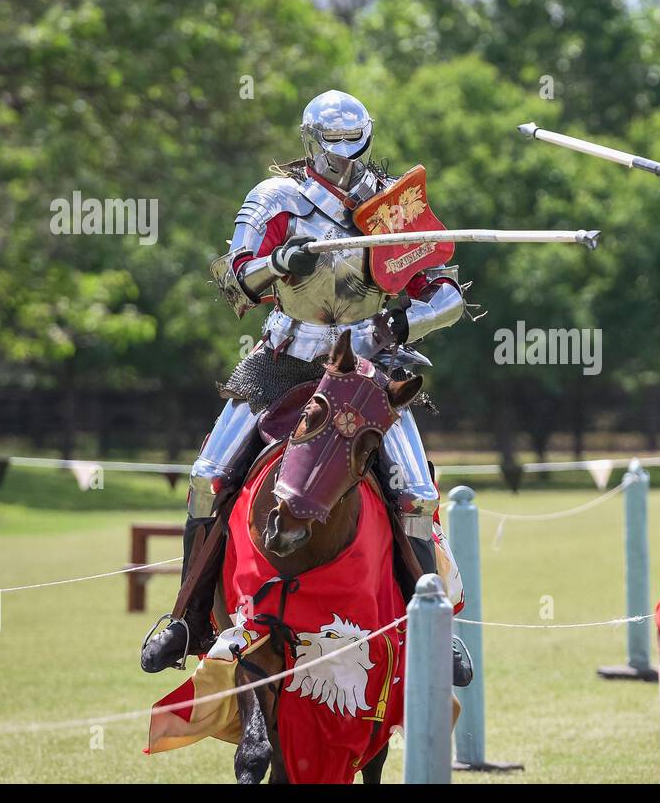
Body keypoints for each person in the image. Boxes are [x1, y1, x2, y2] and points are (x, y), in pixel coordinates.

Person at [141, 90, 472, 679]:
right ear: (310, 139)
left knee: (416, 493)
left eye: (354, 141)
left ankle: (434, 628)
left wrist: (403, 319)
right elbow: (235, 279)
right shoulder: (274, 199)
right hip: (287, 356)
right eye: (333, 142)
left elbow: (445, 292)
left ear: (368, 136)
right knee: (207, 477)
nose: (344, 155)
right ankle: (188, 619)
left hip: (369, 364)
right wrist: (279, 263)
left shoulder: (393, 207)